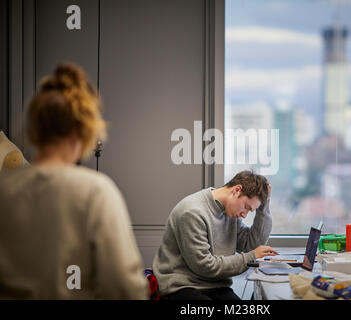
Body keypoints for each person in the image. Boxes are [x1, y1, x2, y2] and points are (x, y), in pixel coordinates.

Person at [0, 63, 147, 299]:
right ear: (80, 131)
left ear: (36, 128)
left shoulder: (4, 189)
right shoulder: (96, 192)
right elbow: (124, 289)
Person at [152, 170, 278, 300]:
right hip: (182, 286)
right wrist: (251, 257)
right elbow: (205, 266)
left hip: (215, 286)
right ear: (237, 190)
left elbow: (250, 245)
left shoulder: (229, 212)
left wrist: (264, 208)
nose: (244, 215)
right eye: (246, 207)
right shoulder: (192, 212)